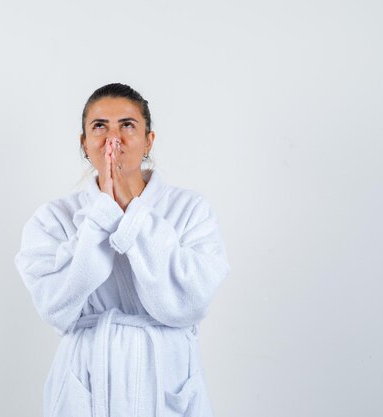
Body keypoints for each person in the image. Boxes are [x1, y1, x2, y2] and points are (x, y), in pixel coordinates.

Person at [14, 83, 231, 417]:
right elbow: (55, 307)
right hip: (87, 379)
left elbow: (192, 300)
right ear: (84, 143)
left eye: (127, 125)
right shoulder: (53, 219)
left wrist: (132, 212)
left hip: (165, 379)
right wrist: (101, 217)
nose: (113, 139)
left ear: (148, 140)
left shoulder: (191, 210)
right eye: (99, 126)